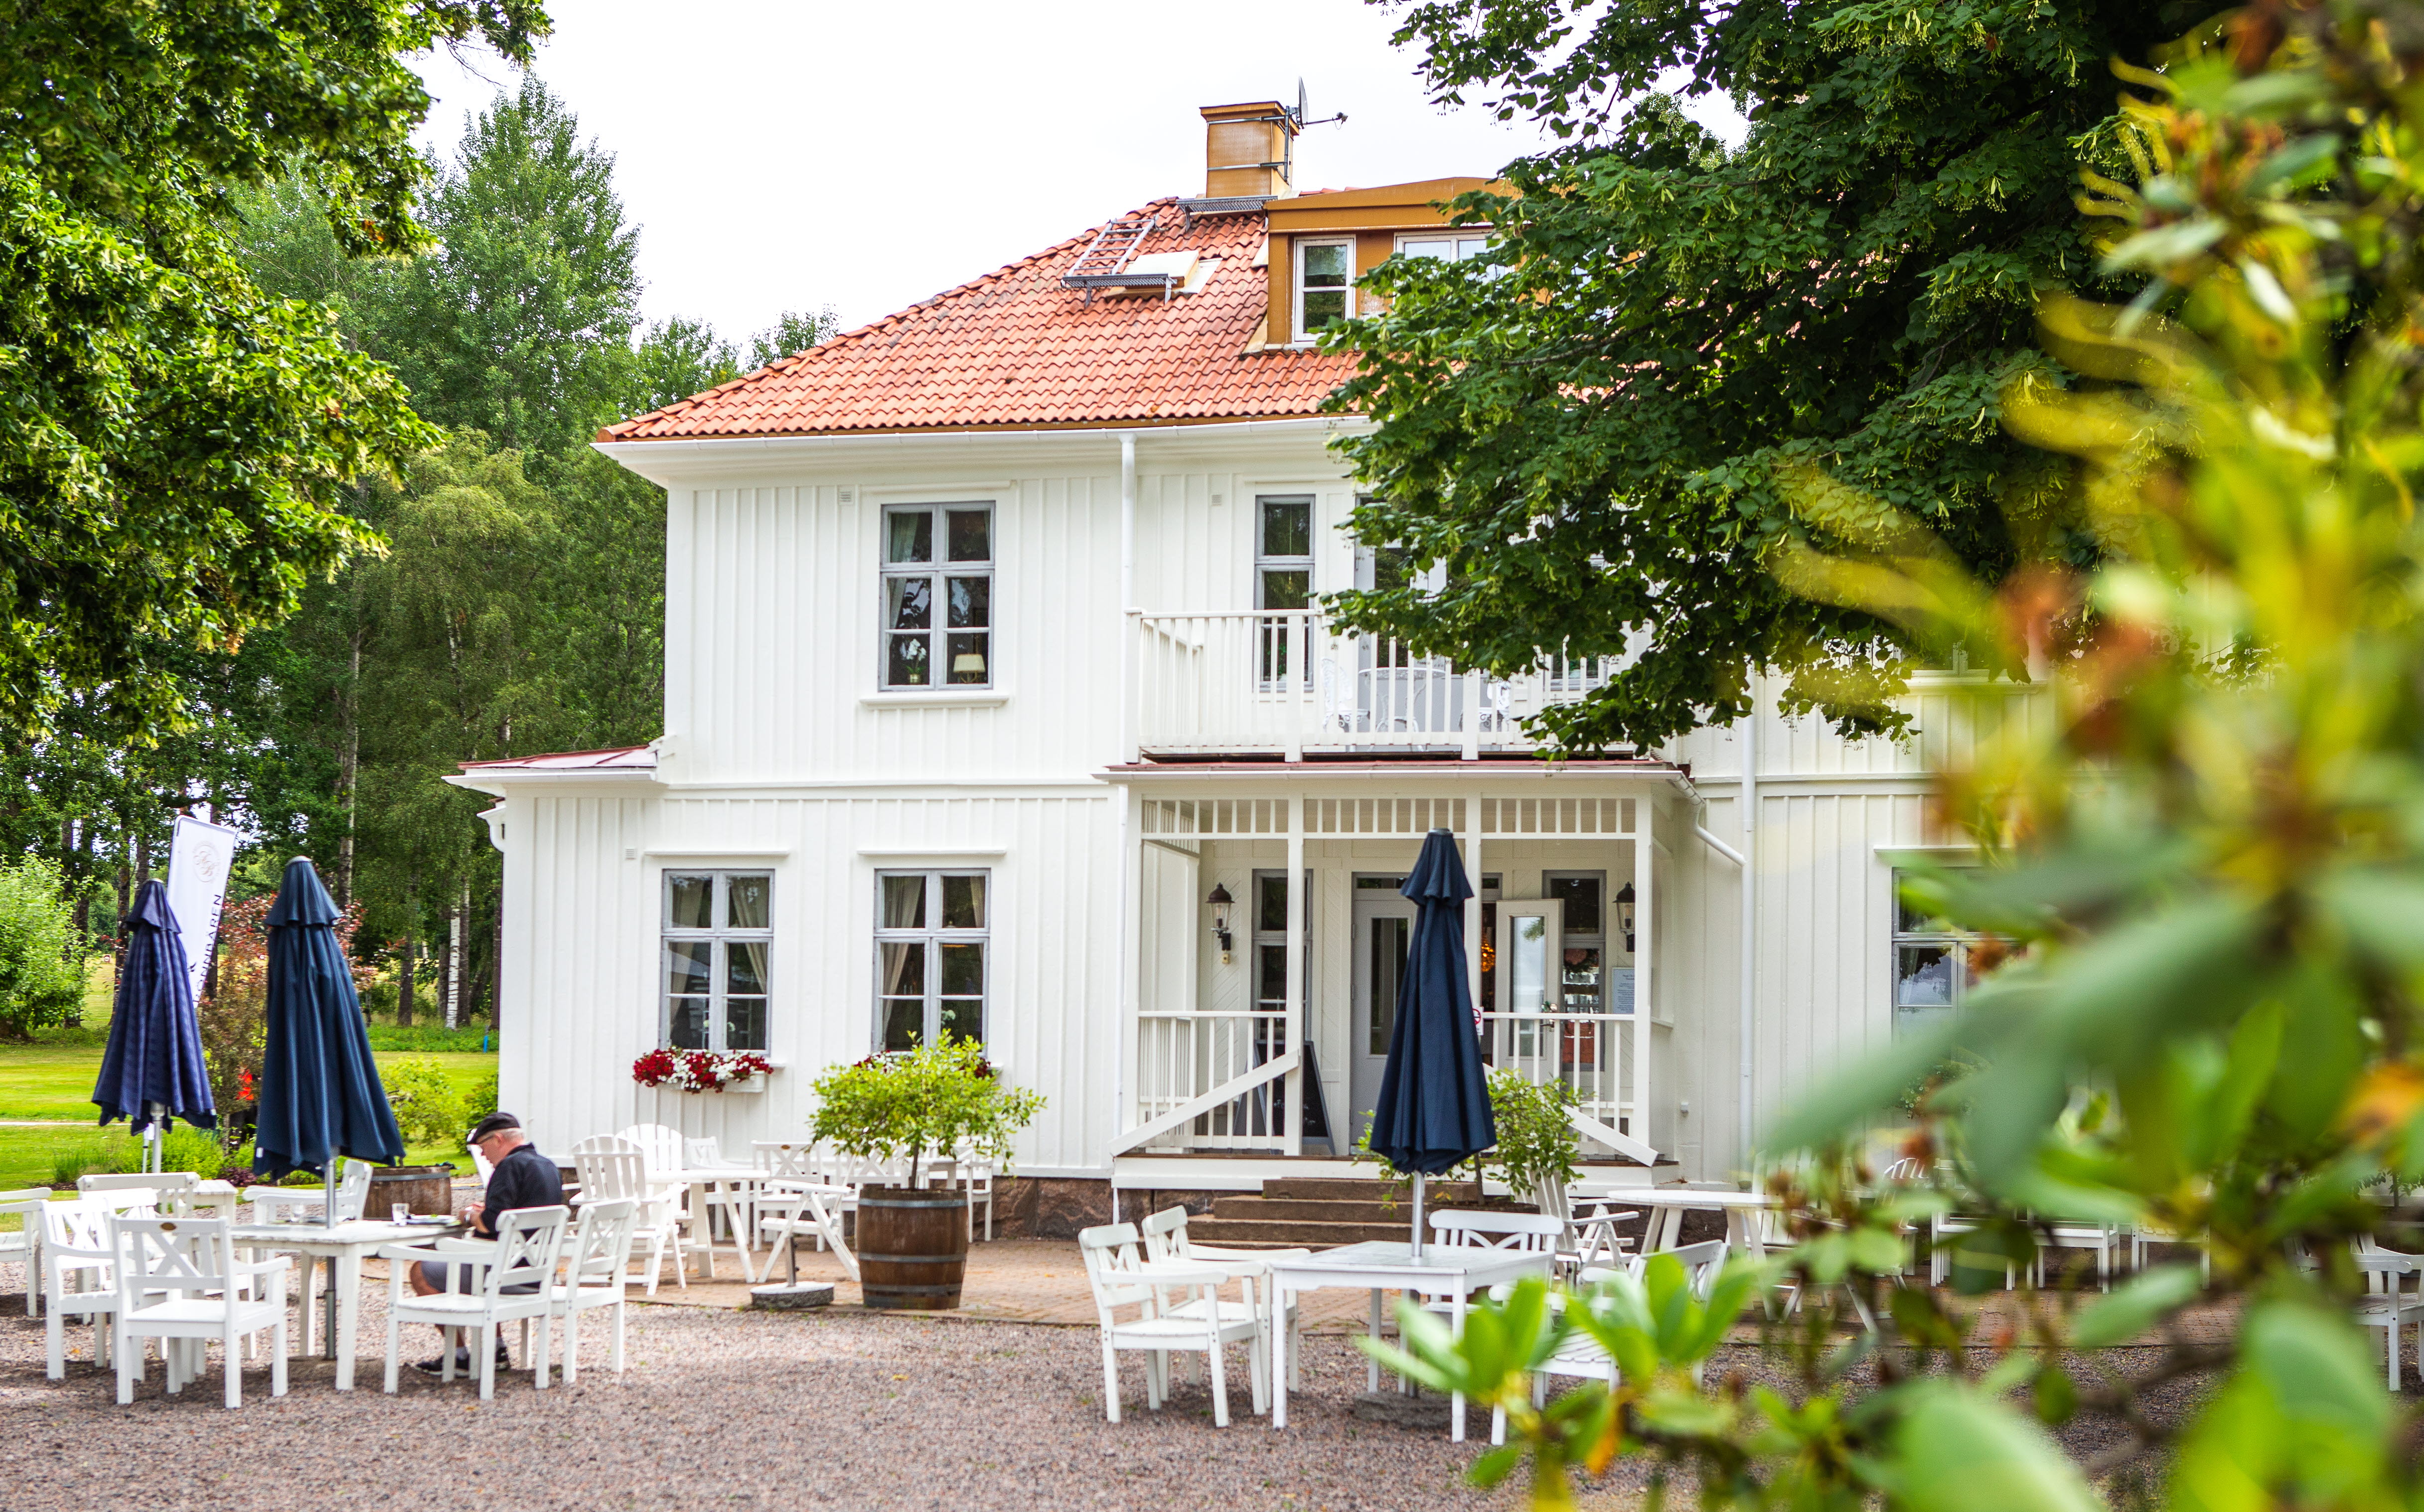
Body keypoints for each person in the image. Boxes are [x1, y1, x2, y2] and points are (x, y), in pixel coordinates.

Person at [409, 1110, 564, 1376]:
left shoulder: (509, 1167)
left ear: (499, 1139)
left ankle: (458, 1357)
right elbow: (516, 1214)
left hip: (507, 1276)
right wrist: (489, 1212)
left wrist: (470, 1215)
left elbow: (491, 1224)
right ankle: (495, 1351)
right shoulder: (546, 1165)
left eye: (483, 1147)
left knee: (421, 1271)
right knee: (475, 1266)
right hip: (539, 1273)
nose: (483, 1156)